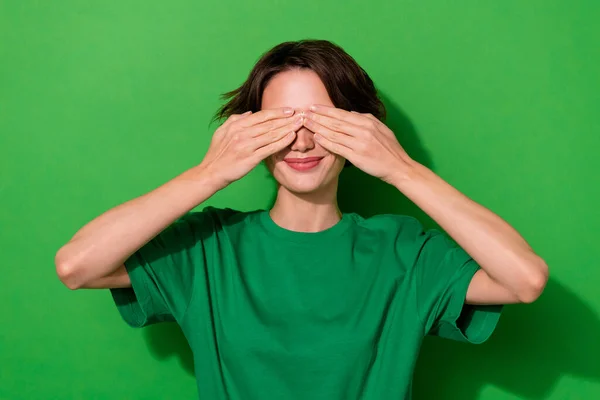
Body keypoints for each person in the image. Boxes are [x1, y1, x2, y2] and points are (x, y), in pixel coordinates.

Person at [55, 39, 549, 399]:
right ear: (249, 131)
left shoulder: (403, 252)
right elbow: (77, 265)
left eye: (321, 120)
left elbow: (524, 278)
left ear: (358, 127)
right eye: (282, 123)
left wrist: (402, 169)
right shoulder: (209, 247)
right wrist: (208, 174)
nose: (302, 142)